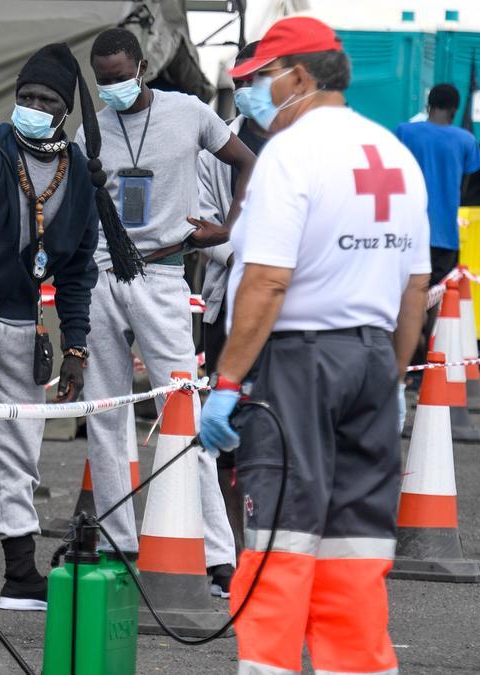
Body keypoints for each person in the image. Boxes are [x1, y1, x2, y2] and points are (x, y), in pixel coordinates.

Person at [196, 17, 429, 674]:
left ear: (297, 75)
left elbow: (267, 281)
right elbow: (415, 286)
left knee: (280, 535)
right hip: (372, 360)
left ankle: (267, 665)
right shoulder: (392, 155)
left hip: (298, 363)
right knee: (355, 544)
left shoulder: (291, 156)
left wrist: (228, 382)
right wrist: (394, 377)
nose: (253, 94)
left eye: (261, 77)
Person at [0, 43, 140, 612]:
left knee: (20, 453)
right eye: (26, 96)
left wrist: (77, 349)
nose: (33, 106)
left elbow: (76, 273)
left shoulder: (81, 178)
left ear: (64, 110)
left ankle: (19, 577)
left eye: (45, 99)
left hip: (21, 326)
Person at [77, 27, 255, 596]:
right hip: (103, 276)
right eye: (102, 81)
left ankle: (217, 554)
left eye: (120, 78)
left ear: (143, 66)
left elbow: (246, 162)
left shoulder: (189, 112)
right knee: (105, 414)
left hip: (161, 274)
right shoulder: (90, 130)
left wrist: (228, 227)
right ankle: (117, 543)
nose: (112, 90)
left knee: (181, 409)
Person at [194, 39, 266, 585]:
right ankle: (231, 554)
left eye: (260, 78)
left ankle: (279, 551)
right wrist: (253, 249)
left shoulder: (310, 145)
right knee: (224, 437)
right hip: (231, 309)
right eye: (242, 82)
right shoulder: (218, 148)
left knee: (282, 433)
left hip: (296, 314)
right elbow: (203, 227)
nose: (250, 90)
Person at [395, 84, 480, 370]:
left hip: (406, 230)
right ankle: (426, 363)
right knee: (434, 299)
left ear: (428, 103)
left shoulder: (405, 132)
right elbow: (465, 187)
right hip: (445, 234)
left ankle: (403, 361)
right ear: (455, 109)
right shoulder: (466, 140)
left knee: (403, 294)